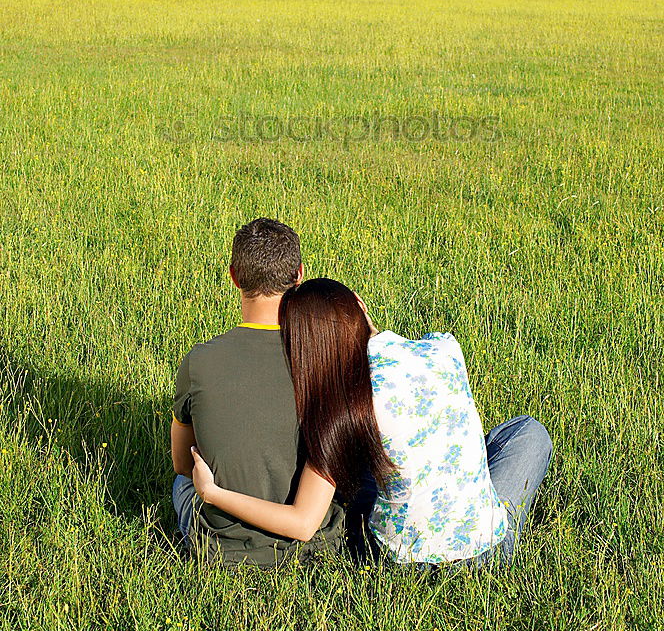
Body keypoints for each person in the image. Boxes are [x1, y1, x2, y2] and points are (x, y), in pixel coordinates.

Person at [190, 278, 552, 568]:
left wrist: (213, 493)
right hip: (488, 547)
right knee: (526, 431)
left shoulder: (342, 407)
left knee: (356, 478)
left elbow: (303, 522)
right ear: (360, 305)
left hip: (402, 561)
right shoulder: (443, 348)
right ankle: (491, 520)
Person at [170, 223, 345, 567]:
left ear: (234, 276)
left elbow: (181, 463)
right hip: (312, 544)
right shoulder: (325, 359)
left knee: (181, 483)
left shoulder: (199, 360)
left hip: (218, 545)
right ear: (299, 275)